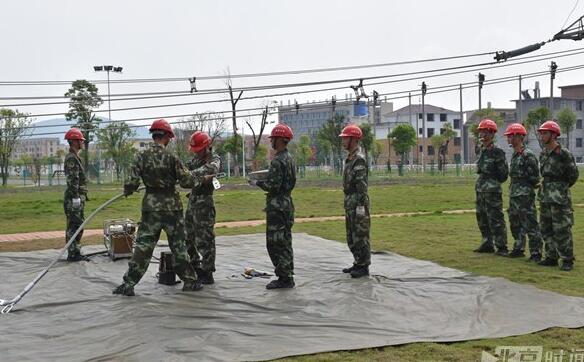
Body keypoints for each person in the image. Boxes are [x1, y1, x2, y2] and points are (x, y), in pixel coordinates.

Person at [113, 119, 201, 296]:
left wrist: (128, 190)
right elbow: (185, 181)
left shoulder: (141, 157)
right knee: (178, 246)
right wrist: (196, 177)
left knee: (144, 246)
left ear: (153, 135)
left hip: (151, 208)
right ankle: (190, 281)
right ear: (167, 136)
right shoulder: (172, 157)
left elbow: (131, 182)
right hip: (172, 207)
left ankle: (128, 284)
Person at [249, 124, 297, 289]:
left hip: (277, 206)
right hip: (286, 204)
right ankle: (287, 274)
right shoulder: (289, 158)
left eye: (273, 139)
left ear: (280, 140)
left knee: (275, 243)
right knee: (285, 241)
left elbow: (273, 185)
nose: (272, 142)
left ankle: (284, 277)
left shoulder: (278, 161)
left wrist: (259, 183)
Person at [536, 120, 579, 271]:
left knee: (561, 228)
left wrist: (560, 188)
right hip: (545, 196)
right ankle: (551, 256)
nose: (542, 136)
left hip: (559, 198)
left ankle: (567, 259)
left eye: (545, 133)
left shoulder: (564, 153)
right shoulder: (543, 153)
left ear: (554, 135)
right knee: (546, 227)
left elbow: (573, 175)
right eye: (541, 133)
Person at [184, 131, 221, 285]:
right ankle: (194, 265)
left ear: (206, 147)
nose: (196, 152)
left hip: (204, 204)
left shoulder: (214, 159)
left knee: (205, 239)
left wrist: (190, 176)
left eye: (198, 149)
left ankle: (207, 271)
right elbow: (184, 170)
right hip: (192, 202)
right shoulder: (195, 159)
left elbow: (210, 170)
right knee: (188, 236)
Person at [504, 123, 544, 261]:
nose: (508, 138)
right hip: (514, 194)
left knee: (530, 223)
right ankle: (519, 247)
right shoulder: (515, 154)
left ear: (518, 136)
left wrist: (526, 188)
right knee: (515, 223)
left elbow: (534, 177)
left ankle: (536, 252)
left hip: (525, 195)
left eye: (510, 136)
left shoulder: (528, 155)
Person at [338, 124, 371, 278]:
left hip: (358, 203)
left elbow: (361, 186)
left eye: (345, 138)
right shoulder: (350, 158)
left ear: (353, 140)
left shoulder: (359, 160)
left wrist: (360, 207)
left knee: (360, 235)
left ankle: (363, 266)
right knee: (351, 236)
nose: (343, 141)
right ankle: (358, 262)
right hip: (350, 202)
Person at [473, 119, 509, 256]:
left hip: (492, 190)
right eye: (481, 132)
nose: (482, 135)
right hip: (480, 188)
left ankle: (502, 246)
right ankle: (487, 243)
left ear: (492, 134)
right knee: (482, 217)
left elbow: (503, 174)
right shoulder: (481, 150)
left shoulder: (497, 152)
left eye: (486, 132)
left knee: (495, 218)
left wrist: (493, 182)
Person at [63, 128, 89, 262]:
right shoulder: (71, 158)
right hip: (74, 198)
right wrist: (75, 197)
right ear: (74, 141)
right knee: (75, 225)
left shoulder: (75, 157)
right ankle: (73, 253)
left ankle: (75, 251)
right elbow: (73, 180)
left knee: (76, 225)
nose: (82, 142)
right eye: (80, 140)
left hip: (77, 197)